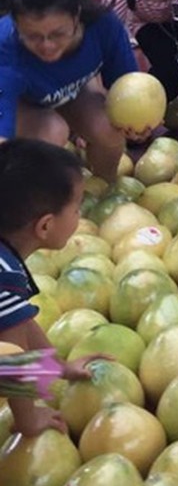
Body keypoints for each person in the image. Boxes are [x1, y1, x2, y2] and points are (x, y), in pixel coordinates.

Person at [0, 138, 100, 436]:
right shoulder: (6, 277)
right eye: (76, 209)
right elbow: (14, 357)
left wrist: (59, 368)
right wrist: (30, 421)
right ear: (45, 226)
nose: (79, 217)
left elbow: (20, 322)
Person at [0, 0, 137, 182]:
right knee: (51, 134)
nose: (47, 46)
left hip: (71, 92)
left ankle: (104, 188)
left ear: (76, 18)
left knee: (110, 126)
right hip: (22, 103)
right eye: (33, 36)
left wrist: (136, 123)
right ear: (16, 26)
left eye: (58, 34)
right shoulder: (5, 50)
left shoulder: (103, 26)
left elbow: (130, 88)